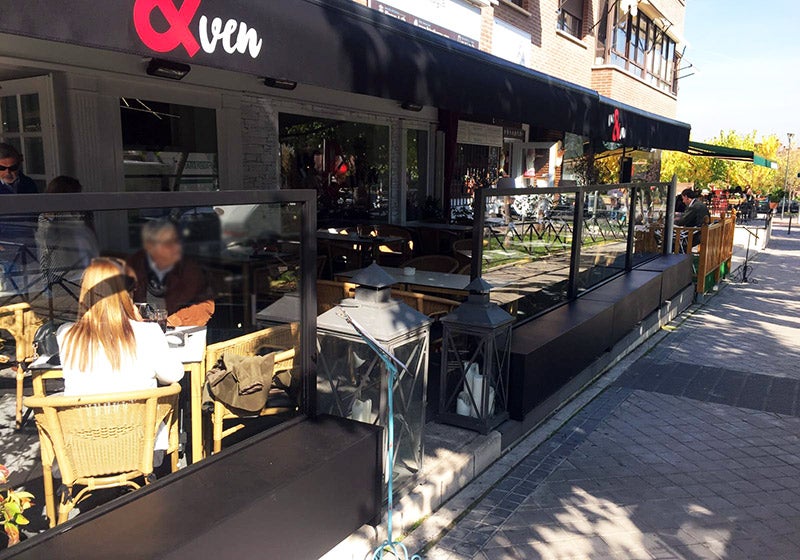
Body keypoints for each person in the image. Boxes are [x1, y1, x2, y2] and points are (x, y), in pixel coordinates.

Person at [57, 258, 184, 396]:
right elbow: (173, 375)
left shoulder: (65, 334)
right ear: (126, 294)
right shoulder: (149, 333)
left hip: (83, 410)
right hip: (138, 410)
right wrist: (139, 324)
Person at [126, 218, 214, 327]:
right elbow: (119, 302)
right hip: (142, 330)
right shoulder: (136, 266)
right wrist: (132, 313)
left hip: (177, 331)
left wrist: (171, 321)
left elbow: (206, 306)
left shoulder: (189, 269)